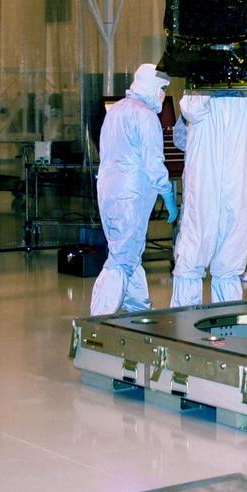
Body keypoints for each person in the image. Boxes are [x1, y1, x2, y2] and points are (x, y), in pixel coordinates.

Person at [169, 92, 247, 306]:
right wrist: (210, 87)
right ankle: (183, 321)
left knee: (233, 244)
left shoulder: (243, 96)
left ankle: (227, 318)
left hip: (237, 179)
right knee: (196, 242)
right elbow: (190, 111)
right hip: (205, 178)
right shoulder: (199, 91)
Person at [89, 64, 177, 316]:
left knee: (129, 251)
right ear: (151, 86)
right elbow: (153, 163)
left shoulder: (116, 110)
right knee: (121, 259)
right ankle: (97, 318)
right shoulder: (145, 116)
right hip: (132, 194)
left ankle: (138, 310)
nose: (162, 95)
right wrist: (168, 194)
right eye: (161, 89)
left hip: (108, 190)